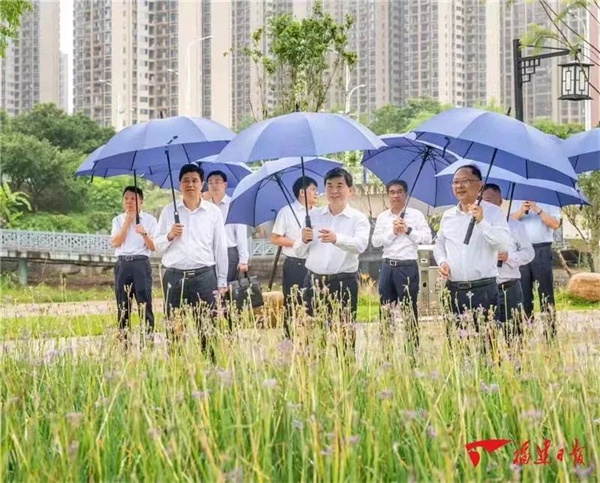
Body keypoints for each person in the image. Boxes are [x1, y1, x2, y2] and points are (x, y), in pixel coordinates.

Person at [433, 165, 512, 342]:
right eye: (455, 182)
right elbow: (439, 244)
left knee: (487, 345)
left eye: (465, 181)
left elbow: (504, 244)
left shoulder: (493, 212)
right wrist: (442, 261)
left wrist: (482, 222)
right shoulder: (448, 216)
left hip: (484, 290)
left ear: (479, 185)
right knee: (457, 346)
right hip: (454, 290)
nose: (459, 186)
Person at [295, 168, 370, 350]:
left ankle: (346, 367)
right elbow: (299, 252)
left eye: (339, 186)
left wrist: (337, 239)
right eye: (329, 186)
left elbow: (360, 246)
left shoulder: (358, 218)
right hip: (314, 282)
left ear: (350, 190)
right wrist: (303, 240)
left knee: (345, 338)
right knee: (314, 339)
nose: (334, 191)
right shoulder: (312, 216)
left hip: (343, 283)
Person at [155, 164, 228, 350]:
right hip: (174, 277)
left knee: (208, 330)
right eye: (185, 181)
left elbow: (220, 247)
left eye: (195, 180)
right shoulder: (168, 211)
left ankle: (209, 365)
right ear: (179, 184)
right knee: (174, 330)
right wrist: (170, 235)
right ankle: (176, 364)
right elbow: (156, 247)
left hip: (204, 277)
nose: (190, 184)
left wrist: (221, 281)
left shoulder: (213, 212)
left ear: (202, 184)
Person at [371, 179, 432, 348]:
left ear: (406, 194)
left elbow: (427, 238)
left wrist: (408, 230)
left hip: (408, 266)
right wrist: (393, 232)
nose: (395, 195)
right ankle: (387, 349)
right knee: (385, 309)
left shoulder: (416, 215)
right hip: (388, 266)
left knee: (409, 310)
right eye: (392, 192)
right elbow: (375, 242)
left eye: (399, 192)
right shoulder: (383, 217)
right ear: (388, 195)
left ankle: (413, 350)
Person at [482, 184, 534, 343]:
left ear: (500, 202)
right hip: (485, 289)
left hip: (509, 288)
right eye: (483, 201)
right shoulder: (477, 227)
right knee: (487, 339)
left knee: (514, 336)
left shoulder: (515, 226)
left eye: (490, 201)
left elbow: (529, 253)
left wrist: (509, 257)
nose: (486, 205)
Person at [270, 176, 319, 337]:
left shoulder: (318, 213)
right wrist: (299, 242)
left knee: (314, 303)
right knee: (293, 303)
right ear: (302, 192)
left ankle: (312, 338)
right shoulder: (286, 212)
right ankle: (291, 339)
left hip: (315, 264)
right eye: (313, 189)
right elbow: (275, 238)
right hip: (295, 265)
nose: (316, 193)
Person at [110, 186, 158, 342]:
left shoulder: (150, 220)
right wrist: (127, 223)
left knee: (145, 303)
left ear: (141, 202)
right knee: (123, 306)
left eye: (133, 199)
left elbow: (153, 247)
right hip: (123, 264)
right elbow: (116, 242)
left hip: (140, 264)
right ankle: (124, 342)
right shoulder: (118, 220)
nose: (129, 202)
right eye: (126, 199)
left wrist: (144, 233)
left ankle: (147, 342)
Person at [511, 200, 560, 338]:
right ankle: (527, 330)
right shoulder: (516, 201)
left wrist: (537, 209)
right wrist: (521, 211)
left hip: (542, 249)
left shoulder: (550, 202)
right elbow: (509, 223)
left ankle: (550, 332)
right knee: (523, 294)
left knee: (546, 292)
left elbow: (555, 224)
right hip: (522, 250)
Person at [206, 170, 249, 284]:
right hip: (209, 251)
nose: (213, 185)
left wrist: (243, 259)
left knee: (227, 286)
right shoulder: (205, 207)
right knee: (211, 286)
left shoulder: (234, 205)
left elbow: (241, 233)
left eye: (217, 182)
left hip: (229, 251)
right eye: (210, 182)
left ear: (225, 184)